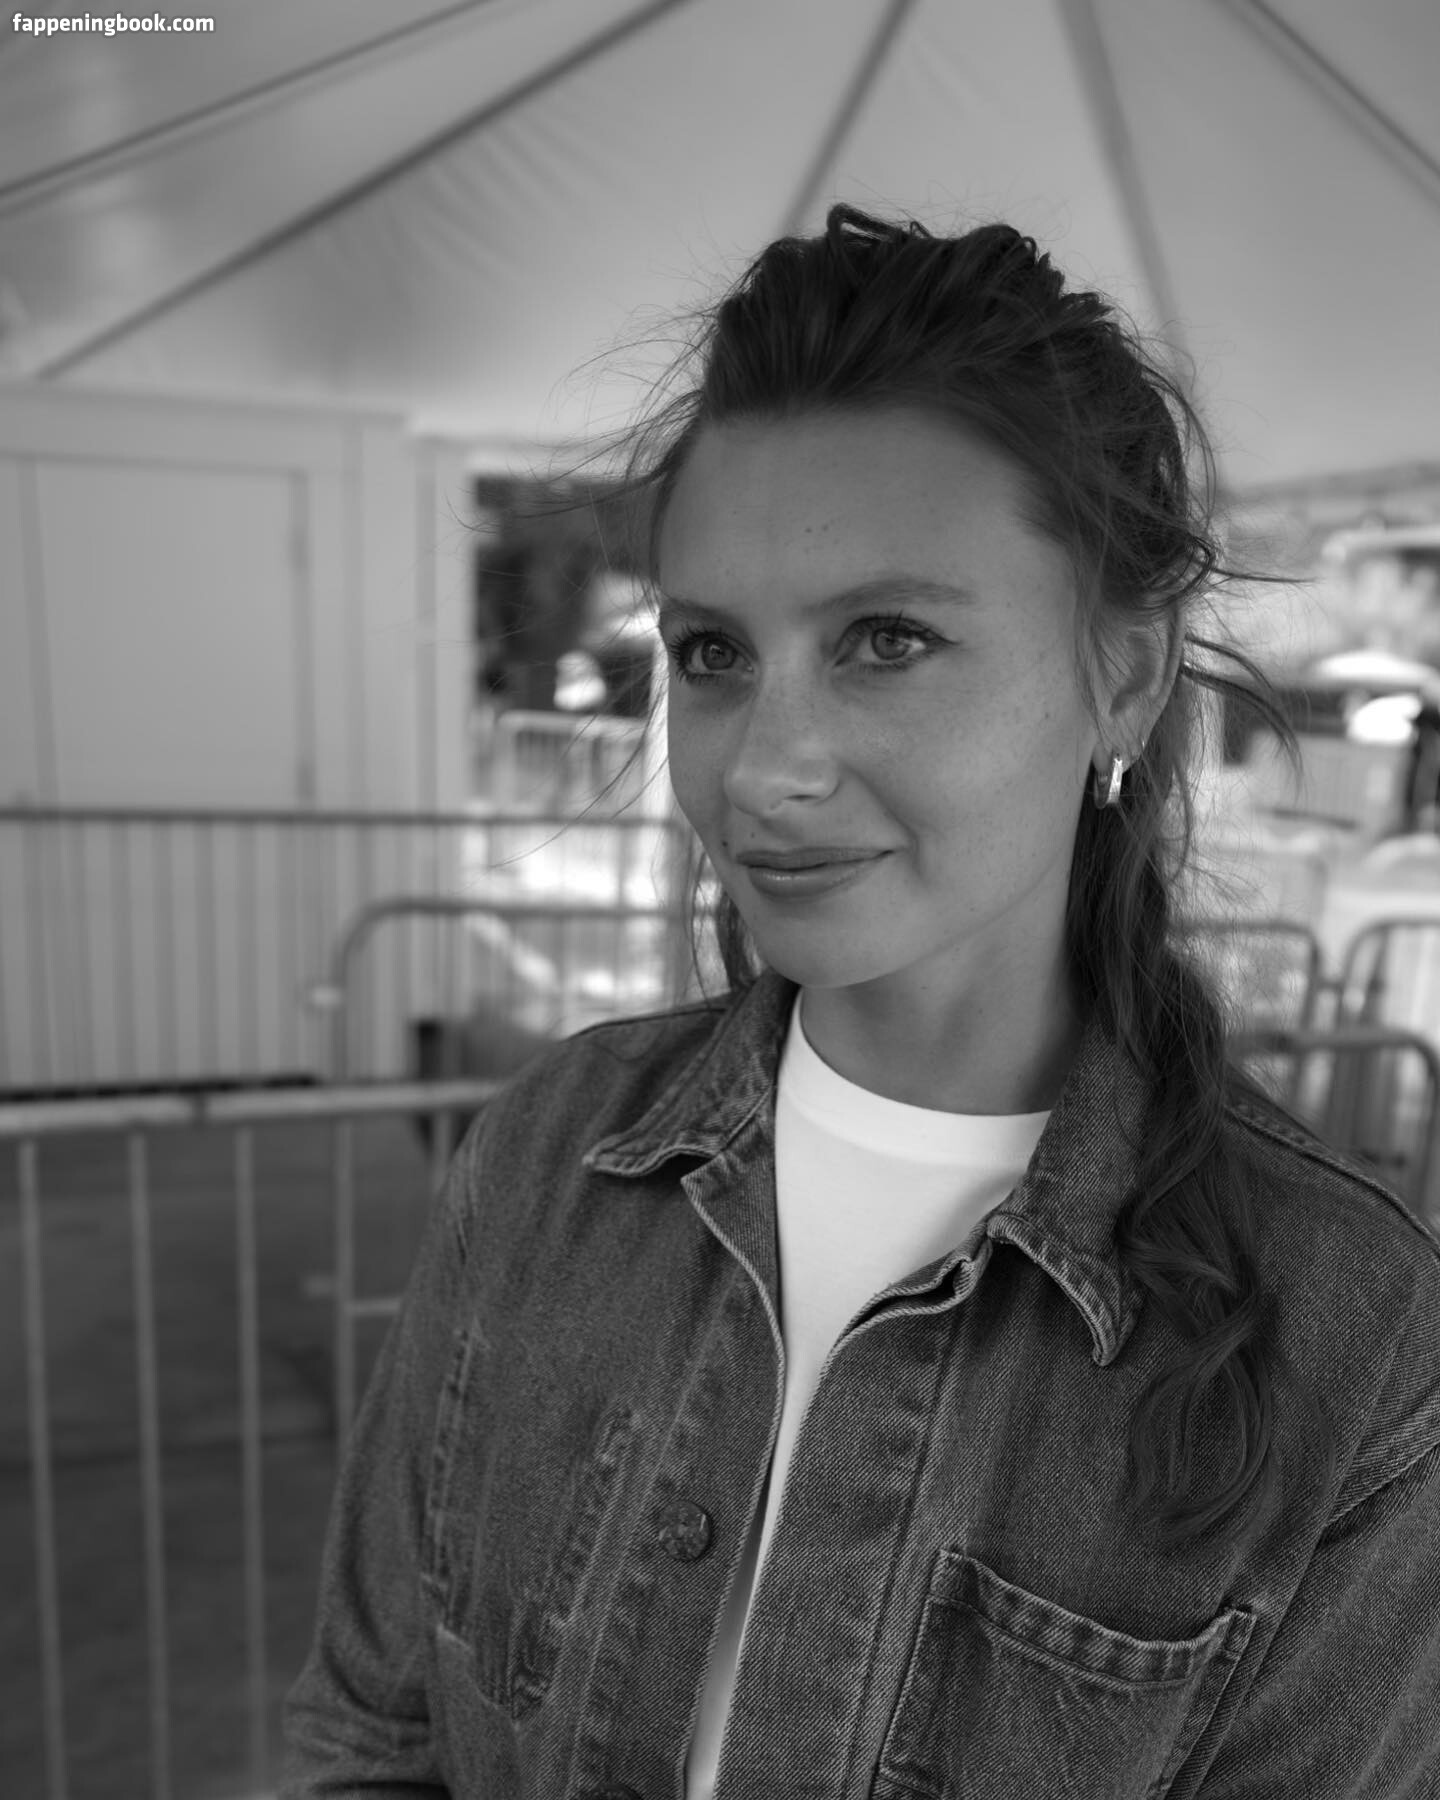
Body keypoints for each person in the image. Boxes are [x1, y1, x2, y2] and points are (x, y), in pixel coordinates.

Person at [281, 207, 1440, 1797]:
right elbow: (372, 1737)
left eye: (887, 641)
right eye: (712, 653)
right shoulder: (550, 1155)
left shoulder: (1353, 1340)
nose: (765, 768)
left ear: (1124, 674)